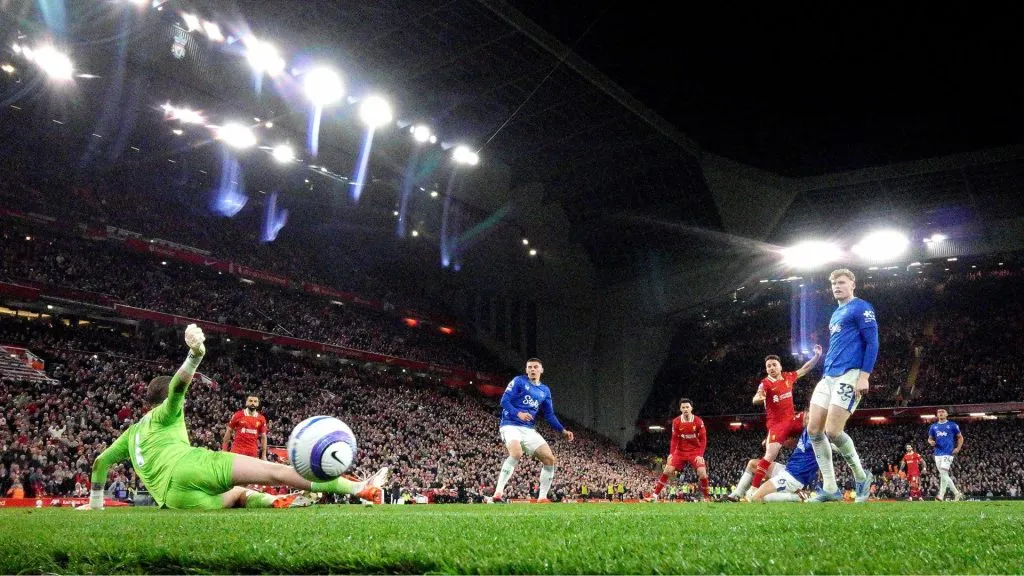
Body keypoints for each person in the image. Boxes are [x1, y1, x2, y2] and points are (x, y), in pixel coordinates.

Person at [80, 324, 388, 510]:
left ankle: (271, 502)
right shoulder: (165, 412)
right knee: (273, 472)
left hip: (177, 501)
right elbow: (177, 390)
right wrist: (195, 356)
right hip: (191, 467)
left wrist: (94, 505)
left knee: (239, 494)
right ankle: (360, 489)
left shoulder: (130, 434)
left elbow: (99, 463)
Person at [806, 268, 877, 503]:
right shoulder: (836, 314)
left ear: (852, 284)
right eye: (834, 283)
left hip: (850, 374)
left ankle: (861, 476)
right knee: (813, 430)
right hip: (828, 377)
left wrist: (864, 376)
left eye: (842, 282)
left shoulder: (861, 307)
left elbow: (872, 342)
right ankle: (830, 488)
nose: (837, 286)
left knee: (833, 431)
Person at [728, 345, 822, 500]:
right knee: (769, 456)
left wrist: (817, 356)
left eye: (774, 365)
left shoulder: (787, 377)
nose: (771, 368)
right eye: (768, 366)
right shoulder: (765, 383)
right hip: (777, 425)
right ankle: (753, 489)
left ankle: (827, 438)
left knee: (810, 416)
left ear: (780, 366)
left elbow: (804, 369)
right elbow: (756, 397)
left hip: (792, 420)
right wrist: (760, 398)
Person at [489, 358, 574, 503]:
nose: (532, 370)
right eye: (529, 367)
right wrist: (518, 413)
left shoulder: (544, 390)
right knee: (516, 453)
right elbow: (504, 401)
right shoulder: (519, 381)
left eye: (535, 367)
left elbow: (549, 414)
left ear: (541, 370)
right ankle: (498, 493)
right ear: (526, 370)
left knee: (549, 459)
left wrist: (562, 430)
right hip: (510, 424)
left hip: (528, 429)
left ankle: (542, 497)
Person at [649, 398, 709, 502]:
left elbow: (703, 440)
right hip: (680, 451)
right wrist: (671, 453)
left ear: (691, 408)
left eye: (687, 407)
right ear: (680, 409)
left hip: (694, 451)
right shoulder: (676, 421)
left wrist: (700, 455)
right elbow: (674, 438)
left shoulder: (698, 421)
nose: (685, 409)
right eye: (683, 407)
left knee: (702, 473)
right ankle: (654, 496)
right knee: (667, 470)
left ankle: (707, 497)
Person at [928, 408, 964, 501]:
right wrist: (931, 442)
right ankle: (941, 496)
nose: (940, 413)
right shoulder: (933, 426)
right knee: (943, 474)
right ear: (937, 415)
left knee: (943, 473)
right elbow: (930, 438)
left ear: (947, 414)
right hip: (937, 453)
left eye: (942, 412)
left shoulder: (952, 425)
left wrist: (958, 448)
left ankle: (956, 493)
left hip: (948, 452)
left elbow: (960, 437)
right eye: (939, 412)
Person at [222, 395, 268, 460]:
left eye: (255, 401)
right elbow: (229, 431)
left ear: (258, 404)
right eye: (250, 401)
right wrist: (224, 449)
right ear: (246, 402)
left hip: (252, 452)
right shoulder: (238, 415)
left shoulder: (261, 418)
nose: (253, 403)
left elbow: (263, 437)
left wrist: (264, 455)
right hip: (237, 450)